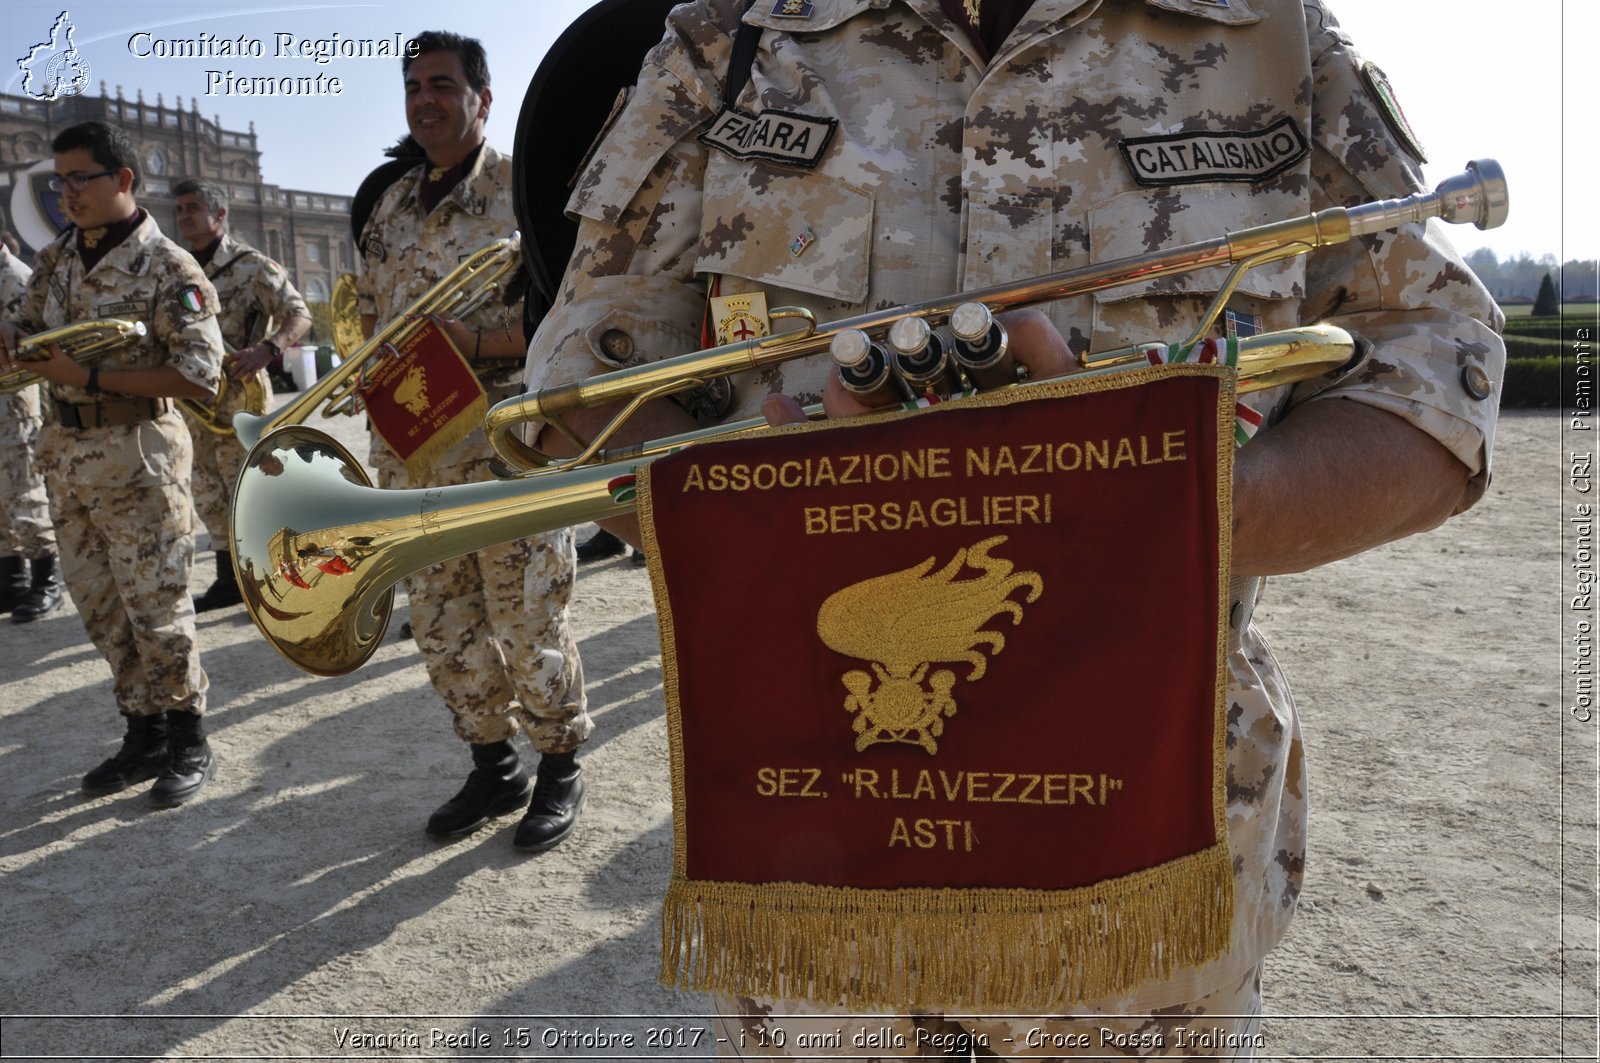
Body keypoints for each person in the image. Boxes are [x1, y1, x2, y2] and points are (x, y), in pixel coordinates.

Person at [520, 0, 1504, 1054]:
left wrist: (1144, 502)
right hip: (816, 843)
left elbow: (1436, 372)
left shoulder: (1270, 30)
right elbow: (581, 378)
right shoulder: (731, 37)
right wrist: (790, 514)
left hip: (1152, 872)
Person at [356, 30, 592, 851]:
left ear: (482, 100)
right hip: (416, 455)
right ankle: (492, 764)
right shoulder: (389, 204)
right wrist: (365, 364)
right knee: (442, 623)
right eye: (414, 85)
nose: (426, 98)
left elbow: (574, 314)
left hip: (508, 444)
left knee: (528, 617)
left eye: (444, 84)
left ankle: (559, 761)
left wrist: (482, 345)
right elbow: (370, 314)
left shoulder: (523, 189)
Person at [0, 122, 223, 806]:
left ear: (122, 179)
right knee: (101, 607)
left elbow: (199, 375)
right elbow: (26, 320)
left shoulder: (170, 267)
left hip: (137, 459)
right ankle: (142, 729)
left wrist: (88, 376)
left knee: (156, 606)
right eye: (58, 181)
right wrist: (14, 332)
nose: (65, 193)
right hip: (66, 460)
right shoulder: (57, 259)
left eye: (78, 179)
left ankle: (188, 735)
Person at [171, 178, 312, 613]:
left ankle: (270, 575)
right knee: (206, 489)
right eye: (179, 209)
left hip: (241, 399)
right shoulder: (172, 267)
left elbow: (299, 313)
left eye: (193, 207)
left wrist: (269, 349)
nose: (184, 216)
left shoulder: (252, 266)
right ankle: (230, 578)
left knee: (248, 486)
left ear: (219, 215)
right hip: (192, 399)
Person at [0, 231, 62, 623]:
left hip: (14, 408)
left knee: (25, 493)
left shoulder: (16, 278)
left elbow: (36, 344)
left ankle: (47, 581)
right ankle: (11, 581)